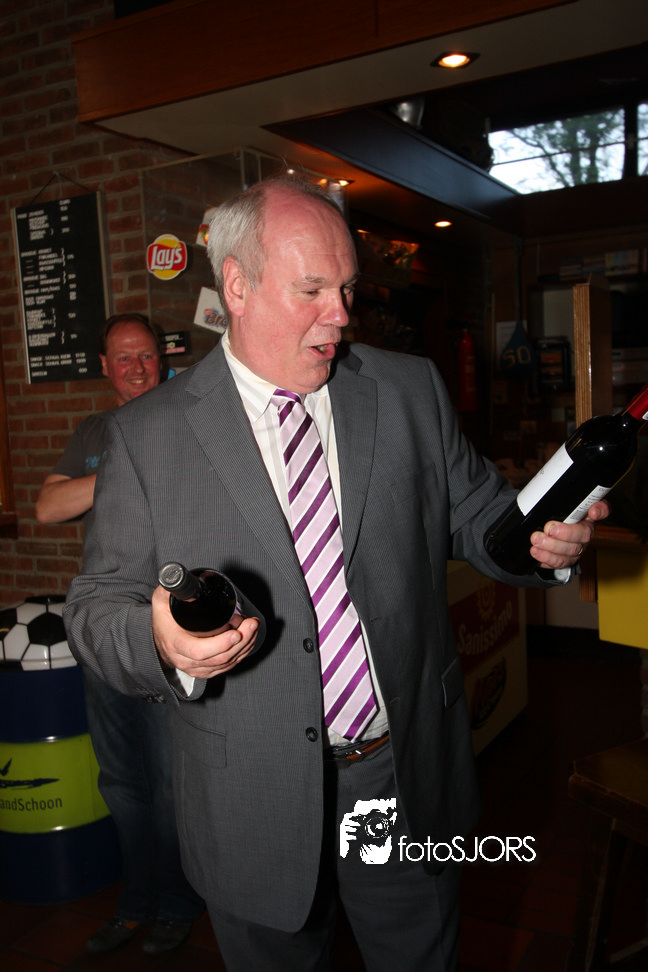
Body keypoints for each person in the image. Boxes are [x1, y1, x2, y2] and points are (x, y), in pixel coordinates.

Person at [63, 179, 606, 972]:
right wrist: (160, 640)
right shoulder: (145, 437)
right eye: (313, 290)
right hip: (250, 794)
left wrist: (541, 543)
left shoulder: (408, 389)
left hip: (402, 772)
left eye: (347, 288)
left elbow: (484, 522)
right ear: (237, 286)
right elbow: (94, 607)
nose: (341, 315)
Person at [37, 313, 204, 955]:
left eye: (146, 355)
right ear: (106, 368)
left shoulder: (186, 420)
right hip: (105, 633)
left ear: (163, 360)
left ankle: (180, 903)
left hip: (166, 633)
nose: (136, 367)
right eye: (123, 358)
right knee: (121, 783)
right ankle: (136, 901)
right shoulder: (94, 431)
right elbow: (48, 505)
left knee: (169, 783)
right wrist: (123, 466)